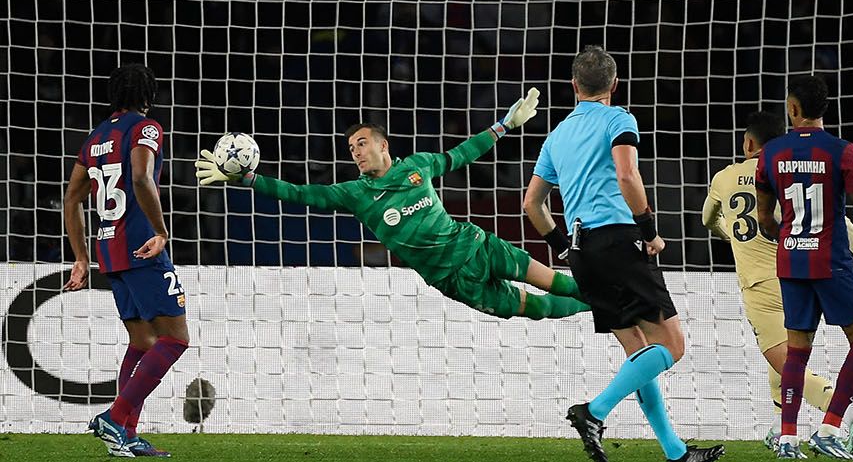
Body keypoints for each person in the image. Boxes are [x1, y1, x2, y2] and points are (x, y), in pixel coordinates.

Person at [195, 88, 590, 323]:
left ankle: (618, 297)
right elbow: (300, 194)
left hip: (477, 246)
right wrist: (247, 178)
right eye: (351, 149)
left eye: (362, 144)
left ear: (383, 145)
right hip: (452, 280)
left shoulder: (419, 165)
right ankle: (603, 309)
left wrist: (503, 125)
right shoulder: (354, 194)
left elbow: (462, 154)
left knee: (558, 281)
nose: (356, 152)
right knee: (538, 310)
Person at [524, 45, 724, 462]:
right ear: (615, 85)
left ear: (573, 87)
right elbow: (627, 174)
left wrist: (562, 246)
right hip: (619, 242)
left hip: (583, 252)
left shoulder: (556, 136)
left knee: (640, 352)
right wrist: (650, 230)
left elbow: (532, 204)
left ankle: (676, 454)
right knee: (672, 345)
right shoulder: (619, 120)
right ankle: (594, 411)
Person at [703, 110, 853, 455]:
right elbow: (841, 224)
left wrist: (730, 233)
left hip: (761, 284)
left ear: (747, 143)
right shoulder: (787, 171)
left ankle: (845, 418)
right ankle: (783, 432)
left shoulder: (725, 178)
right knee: (794, 359)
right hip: (797, 268)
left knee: (786, 360)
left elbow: (707, 218)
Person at [753, 75, 853, 461]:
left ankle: (789, 439)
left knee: (797, 352)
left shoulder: (771, 153)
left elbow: (764, 219)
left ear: (793, 109)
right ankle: (829, 428)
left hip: (791, 260)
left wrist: (791, 240)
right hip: (833, 261)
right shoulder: (843, 151)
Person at [67, 64, 189, 458]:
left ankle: (126, 435)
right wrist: (161, 231)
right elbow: (141, 176)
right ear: (148, 96)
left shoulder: (95, 138)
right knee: (175, 338)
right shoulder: (146, 128)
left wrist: (81, 259)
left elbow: (71, 199)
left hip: (108, 250)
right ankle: (115, 418)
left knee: (142, 340)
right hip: (141, 245)